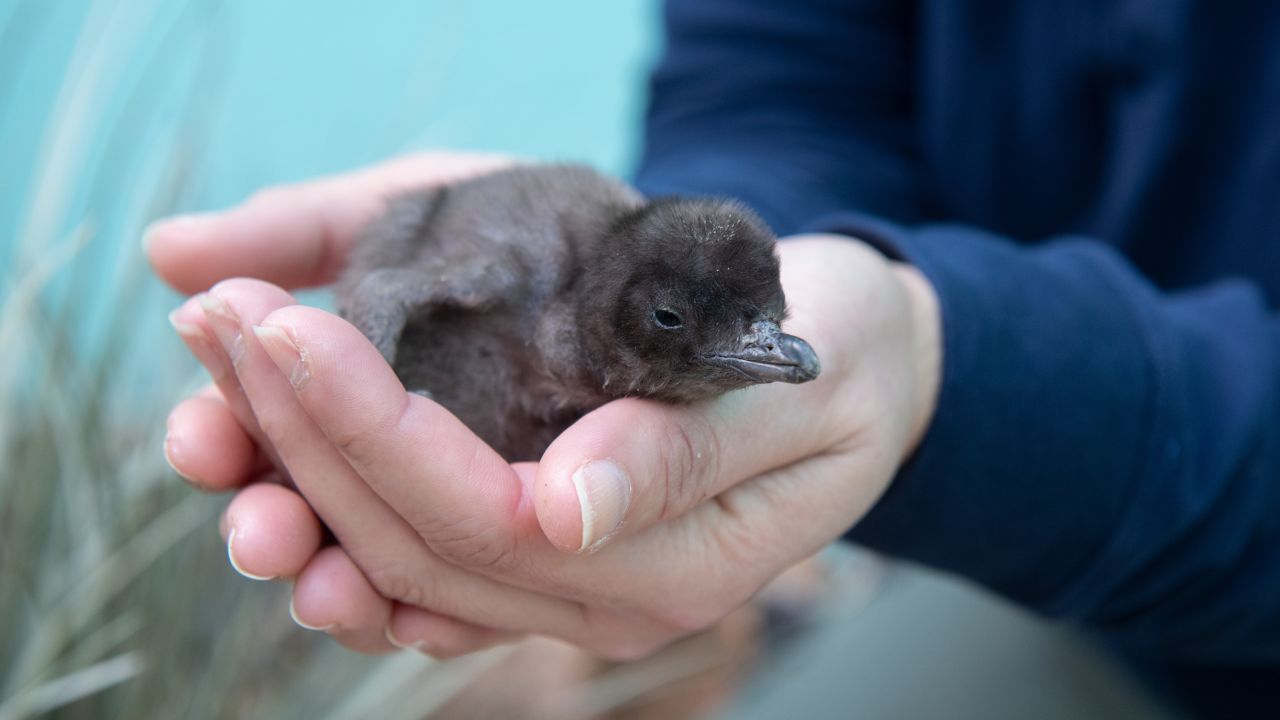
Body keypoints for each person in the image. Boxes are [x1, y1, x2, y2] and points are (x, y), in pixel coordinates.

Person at [148, 1, 1280, 716]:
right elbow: (774, 74)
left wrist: (951, 372)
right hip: (1070, 583)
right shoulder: (537, 264)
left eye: (763, 320)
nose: (774, 355)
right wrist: (821, 256)